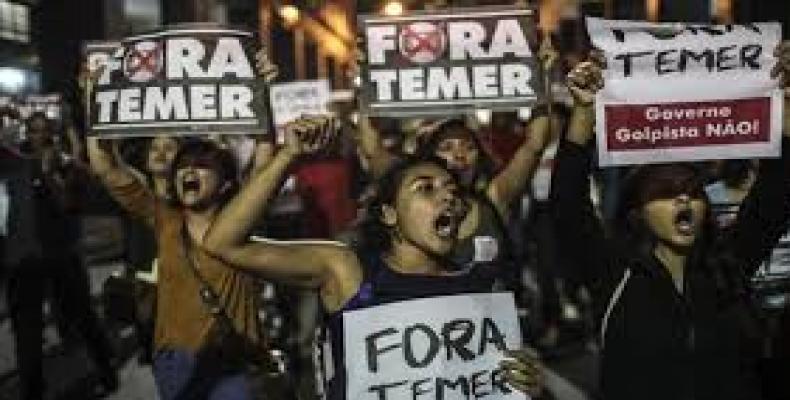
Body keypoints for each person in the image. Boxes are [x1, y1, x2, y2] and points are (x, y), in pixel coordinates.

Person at [202, 117, 545, 399]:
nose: (449, 199)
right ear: (390, 214)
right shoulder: (347, 271)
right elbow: (224, 243)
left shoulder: (475, 287)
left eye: (452, 191)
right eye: (426, 188)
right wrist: (287, 157)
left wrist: (524, 380)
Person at [551, 43, 790, 400]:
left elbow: (777, 194)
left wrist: (782, 104)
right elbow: (567, 205)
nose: (682, 198)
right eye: (664, 192)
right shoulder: (614, 273)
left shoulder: (729, 264)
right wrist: (584, 112)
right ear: (638, 213)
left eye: (693, 191)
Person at [88, 136, 266, 400]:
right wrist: (96, 109)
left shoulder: (243, 220)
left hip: (234, 357)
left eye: (202, 165)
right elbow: (106, 169)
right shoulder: (164, 219)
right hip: (177, 360)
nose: (189, 171)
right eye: (182, 166)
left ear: (227, 182)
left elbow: (264, 167)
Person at [5, 113, 117, 400]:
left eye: (44, 131)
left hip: (62, 255)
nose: (37, 137)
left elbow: (72, 203)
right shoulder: (15, 163)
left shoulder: (66, 164)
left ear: (53, 134)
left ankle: (107, 370)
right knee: (27, 333)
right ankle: (33, 391)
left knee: (84, 317)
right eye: (32, 131)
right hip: (23, 260)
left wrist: (50, 173)